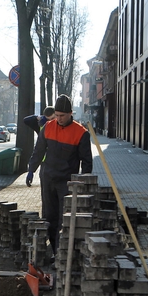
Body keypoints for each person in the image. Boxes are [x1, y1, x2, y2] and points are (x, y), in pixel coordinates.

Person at [25, 94, 93, 255]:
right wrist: (31, 170)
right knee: (49, 215)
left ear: (70, 114)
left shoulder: (81, 133)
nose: (59, 119)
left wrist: (83, 183)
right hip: (47, 178)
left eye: (62, 116)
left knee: (64, 219)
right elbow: (38, 150)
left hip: (67, 182)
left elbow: (87, 162)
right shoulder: (48, 127)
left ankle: (61, 252)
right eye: (56, 115)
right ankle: (54, 250)